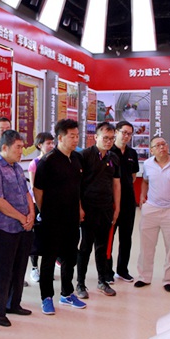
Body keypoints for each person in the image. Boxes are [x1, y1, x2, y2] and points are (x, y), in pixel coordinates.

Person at [33, 119, 86, 315]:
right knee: (49, 258)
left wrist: (79, 208)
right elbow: (38, 190)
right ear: (60, 138)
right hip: (52, 219)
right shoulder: (48, 161)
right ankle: (46, 297)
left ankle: (67, 293)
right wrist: (45, 212)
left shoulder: (77, 159)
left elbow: (77, 188)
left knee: (70, 257)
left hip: (72, 218)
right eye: (72, 136)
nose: (75, 140)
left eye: (77, 136)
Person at [0, 130, 34, 327]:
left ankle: (13, 303)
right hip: (5, 227)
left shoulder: (16, 167)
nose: (21, 151)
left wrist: (31, 214)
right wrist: (22, 217)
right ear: (4, 147)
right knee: (2, 270)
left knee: (19, 267)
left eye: (22, 147)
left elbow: (27, 193)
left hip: (23, 226)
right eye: (18, 147)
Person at [135, 137, 170, 293]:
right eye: (157, 145)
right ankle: (144, 277)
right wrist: (142, 195)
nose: (162, 147)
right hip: (151, 210)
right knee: (146, 246)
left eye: (163, 144)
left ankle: (169, 280)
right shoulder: (148, 164)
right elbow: (145, 181)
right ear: (151, 150)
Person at [76, 122, 121, 298]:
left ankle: (103, 281)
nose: (109, 141)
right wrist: (79, 207)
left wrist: (117, 207)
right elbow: (77, 184)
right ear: (96, 137)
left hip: (106, 208)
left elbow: (116, 184)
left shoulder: (113, 158)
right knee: (85, 246)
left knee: (102, 247)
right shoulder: (84, 156)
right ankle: (80, 284)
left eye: (112, 138)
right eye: (105, 138)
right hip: (88, 209)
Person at [109, 121, 140, 283]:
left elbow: (133, 176)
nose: (126, 136)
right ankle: (107, 271)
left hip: (128, 201)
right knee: (109, 237)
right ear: (116, 132)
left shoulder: (132, 153)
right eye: (124, 132)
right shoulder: (108, 151)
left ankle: (122, 270)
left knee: (126, 237)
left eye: (129, 134)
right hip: (111, 202)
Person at [27, 132, 55, 282]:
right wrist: (40, 207)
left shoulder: (55, 161)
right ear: (39, 145)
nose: (51, 146)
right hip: (38, 204)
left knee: (50, 236)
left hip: (52, 204)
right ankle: (34, 267)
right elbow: (34, 187)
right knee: (36, 237)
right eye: (48, 143)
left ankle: (49, 265)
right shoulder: (35, 163)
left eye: (52, 143)